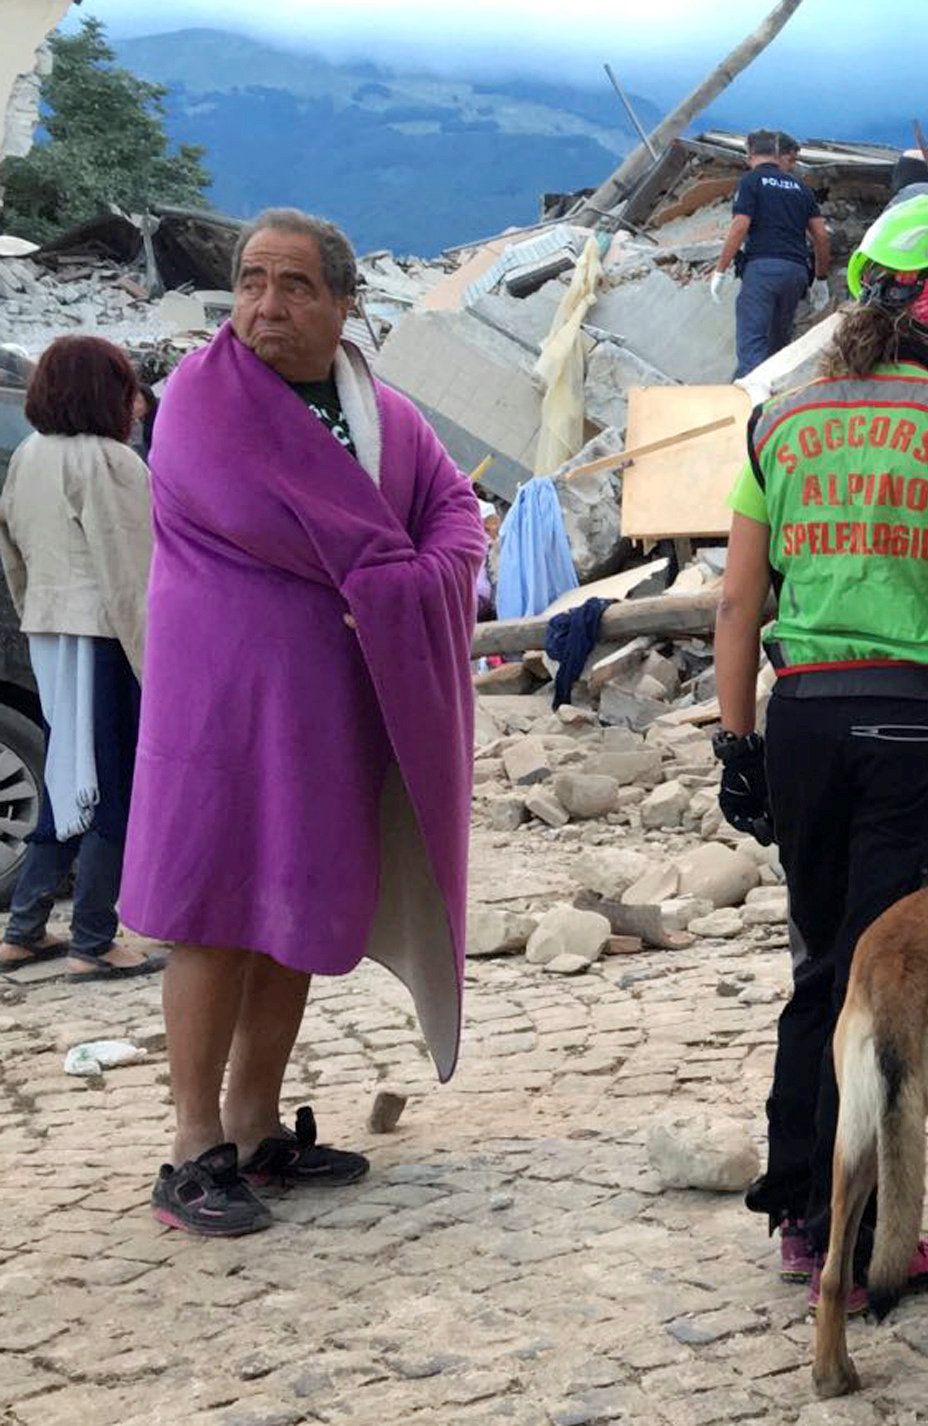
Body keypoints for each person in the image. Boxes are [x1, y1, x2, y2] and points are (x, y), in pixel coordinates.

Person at [713, 196, 928, 1310]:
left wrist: (736, 739)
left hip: (804, 716)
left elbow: (736, 598)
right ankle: (869, 1240)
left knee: (824, 963)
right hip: (921, 724)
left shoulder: (781, 424)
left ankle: (804, 1211)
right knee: (895, 977)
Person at [124, 208, 486, 1237]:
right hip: (225, 703)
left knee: (290, 909)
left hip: (329, 708)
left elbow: (453, 512)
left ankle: (254, 1124)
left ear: (340, 304)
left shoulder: (379, 410)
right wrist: (394, 571)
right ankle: (192, 1148)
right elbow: (288, 523)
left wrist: (418, 573)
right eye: (249, 282)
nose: (264, 306)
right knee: (210, 910)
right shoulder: (203, 400)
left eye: (291, 285)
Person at [0, 337, 161, 983]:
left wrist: (38, 613)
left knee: (67, 778)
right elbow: (133, 575)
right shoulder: (112, 463)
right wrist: (155, 664)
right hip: (104, 635)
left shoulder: (31, 456)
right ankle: (94, 937)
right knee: (112, 786)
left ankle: (25, 928)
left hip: (49, 627)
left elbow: (13, 551)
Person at [710, 129, 833, 378]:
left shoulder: (751, 181)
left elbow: (740, 225)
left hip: (762, 270)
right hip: (796, 273)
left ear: (749, 155)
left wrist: (720, 270)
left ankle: (748, 408)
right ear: (777, 153)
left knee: (752, 347)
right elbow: (821, 235)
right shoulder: (801, 187)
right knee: (778, 347)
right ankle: (778, 404)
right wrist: (821, 278)